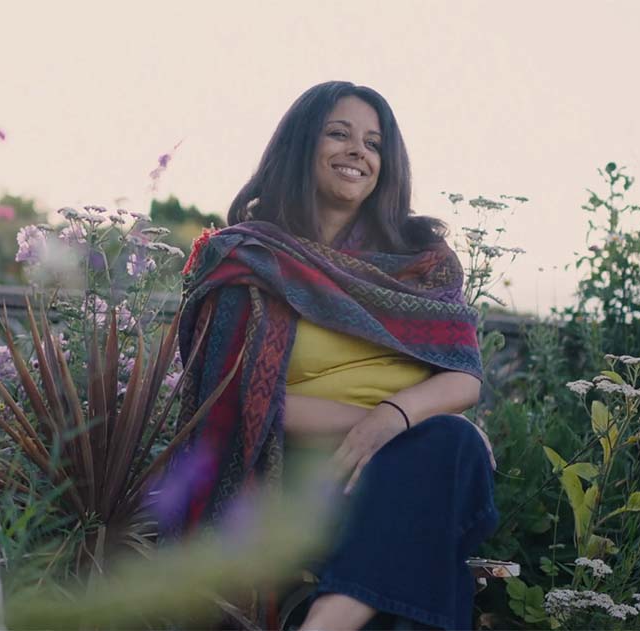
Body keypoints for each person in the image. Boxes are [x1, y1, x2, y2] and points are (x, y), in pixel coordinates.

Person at [169, 80, 498, 631]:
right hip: (296, 469)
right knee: (441, 482)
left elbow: (462, 378)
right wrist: (376, 426)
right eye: (338, 134)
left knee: (447, 444)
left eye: (373, 143)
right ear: (301, 145)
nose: (358, 152)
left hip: (411, 458)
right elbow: (234, 402)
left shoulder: (421, 259)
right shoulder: (247, 258)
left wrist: (396, 420)